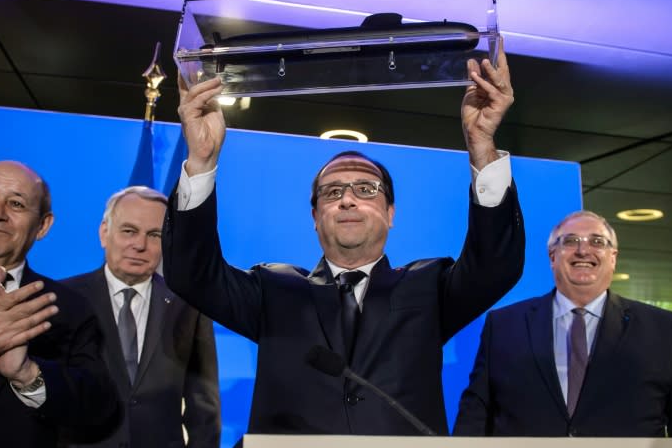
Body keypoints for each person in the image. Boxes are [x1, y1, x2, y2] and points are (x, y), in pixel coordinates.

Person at [162, 40, 525, 436]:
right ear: (316, 218)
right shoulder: (273, 289)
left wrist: (482, 146)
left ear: (391, 213)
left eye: (366, 190)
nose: (348, 199)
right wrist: (201, 160)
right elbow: (191, 274)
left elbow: (495, 265)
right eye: (332, 192)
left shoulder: (429, 287)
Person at [0, 160, 117, 448]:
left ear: (43, 225)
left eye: (16, 204)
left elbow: (96, 409)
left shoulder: (71, 308)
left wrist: (28, 375)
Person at [453, 210, 672, 437]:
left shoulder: (661, 329)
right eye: (570, 241)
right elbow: (476, 411)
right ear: (552, 257)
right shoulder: (504, 325)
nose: (583, 250)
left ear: (613, 258)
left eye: (597, 242)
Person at [62, 186, 221, 448]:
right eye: (129, 231)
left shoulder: (188, 305)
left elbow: (204, 405)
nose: (139, 245)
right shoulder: (65, 299)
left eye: (154, 234)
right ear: (104, 233)